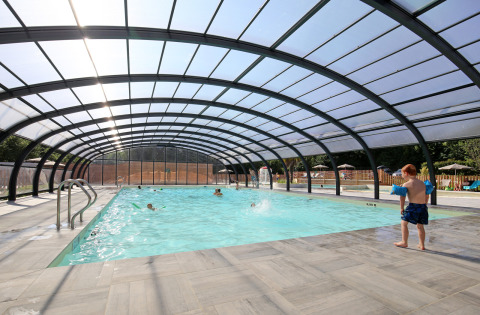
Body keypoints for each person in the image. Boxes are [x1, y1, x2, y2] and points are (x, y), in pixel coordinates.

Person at [394, 164, 429, 250]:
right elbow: (427, 196)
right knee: (420, 226)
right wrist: (425, 204)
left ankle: (404, 242)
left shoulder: (406, 184)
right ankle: (422, 245)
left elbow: (402, 197)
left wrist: (401, 208)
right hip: (423, 207)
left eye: (402, 174)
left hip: (413, 207)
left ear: (406, 173)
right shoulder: (422, 184)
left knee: (403, 223)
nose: (402, 176)